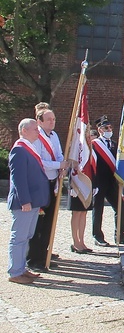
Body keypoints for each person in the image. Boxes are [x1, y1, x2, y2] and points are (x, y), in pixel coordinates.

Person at [7, 119, 50, 284]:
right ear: (24, 131)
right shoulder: (19, 150)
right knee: (19, 237)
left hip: (33, 201)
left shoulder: (30, 148)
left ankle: (21, 268)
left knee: (26, 236)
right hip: (24, 203)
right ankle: (15, 271)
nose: (38, 132)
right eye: (34, 130)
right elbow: (18, 179)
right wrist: (25, 200)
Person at [27, 103, 69, 270]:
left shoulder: (54, 136)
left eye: (54, 119)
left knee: (49, 222)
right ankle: (33, 258)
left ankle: (44, 253)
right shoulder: (37, 138)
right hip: (40, 183)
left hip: (52, 183)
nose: (52, 122)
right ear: (40, 121)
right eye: (49, 119)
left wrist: (62, 165)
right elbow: (39, 162)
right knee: (38, 222)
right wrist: (58, 165)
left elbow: (59, 154)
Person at [91, 116, 124, 245]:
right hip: (99, 181)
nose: (109, 130)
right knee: (98, 209)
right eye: (106, 128)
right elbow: (92, 164)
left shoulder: (115, 144)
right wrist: (93, 183)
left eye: (110, 127)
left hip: (112, 182)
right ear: (99, 130)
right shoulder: (94, 145)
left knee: (120, 207)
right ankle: (97, 236)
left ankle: (120, 235)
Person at [69, 128, 97, 254]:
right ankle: (75, 242)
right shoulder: (76, 146)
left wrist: (94, 185)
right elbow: (71, 165)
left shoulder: (90, 149)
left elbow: (93, 168)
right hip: (76, 184)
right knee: (76, 213)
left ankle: (82, 241)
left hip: (87, 184)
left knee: (84, 213)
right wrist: (71, 185)